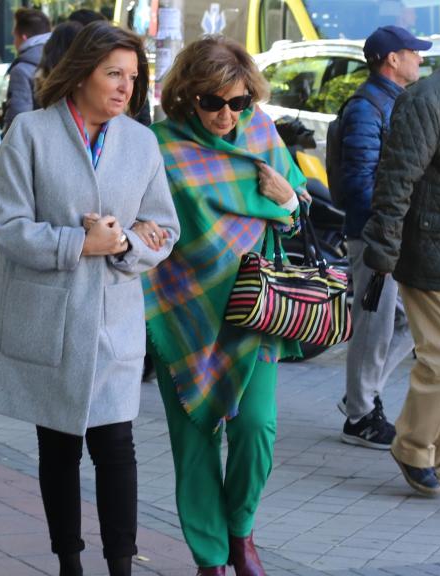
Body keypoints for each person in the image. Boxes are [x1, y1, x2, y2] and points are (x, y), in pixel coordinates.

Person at [0, 22, 179, 576]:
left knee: (117, 445)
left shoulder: (142, 142)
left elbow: (164, 227)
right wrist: (78, 242)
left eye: (133, 77)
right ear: (81, 74)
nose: (125, 87)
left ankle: (121, 563)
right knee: (59, 446)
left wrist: (122, 245)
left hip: (115, 319)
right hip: (50, 316)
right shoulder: (30, 133)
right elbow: (6, 225)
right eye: (113, 73)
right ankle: (68, 561)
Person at [144, 37, 308, 575]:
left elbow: (293, 213)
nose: (226, 114)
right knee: (193, 439)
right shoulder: (159, 146)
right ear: (188, 96)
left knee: (257, 427)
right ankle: (210, 558)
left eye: (238, 102)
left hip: (252, 309)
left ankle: (242, 533)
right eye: (213, 102)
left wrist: (285, 200)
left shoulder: (260, 129)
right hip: (183, 310)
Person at [336, 25, 426, 450]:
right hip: (375, 236)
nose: (420, 60)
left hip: (396, 232)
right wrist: (390, 221)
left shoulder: (395, 103)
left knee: (407, 322)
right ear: (392, 59)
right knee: (374, 323)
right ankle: (360, 415)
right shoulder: (366, 109)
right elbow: (360, 181)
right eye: (414, 52)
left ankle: (360, 393)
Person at [362, 65, 440, 497]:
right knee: (439, 359)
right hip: (428, 250)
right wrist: (382, 252)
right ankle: (413, 448)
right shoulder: (428, 100)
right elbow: (395, 181)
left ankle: (435, 454)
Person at [2, 7, 51, 134]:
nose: (14, 42)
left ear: (23, 38)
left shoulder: (21, 70)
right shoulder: (65, 59)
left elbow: (17, 121)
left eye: (14, 37)